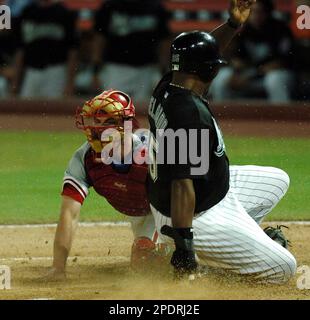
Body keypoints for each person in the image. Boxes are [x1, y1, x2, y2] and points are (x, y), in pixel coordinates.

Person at [147, 0, 297, 283]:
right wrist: (184, 247)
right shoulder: (187, 114)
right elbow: (183, 185)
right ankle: (206, 267)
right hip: (193, 215)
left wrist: (233, 25)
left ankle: (240, 242)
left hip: (210, 191)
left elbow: (202, 52)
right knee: (284, 267)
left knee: (278, 180)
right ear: (209, 71)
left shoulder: (169, 83)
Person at [46, 90, 160, 280]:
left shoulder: (153, 151)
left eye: (106, 122)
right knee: (144, 262)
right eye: (95, 121)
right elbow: (69, 213)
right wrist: (58, 268)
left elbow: (182, 196)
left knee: (169, 263)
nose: (96, 129)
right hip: (142, 212)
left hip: (175, 210)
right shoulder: (85, 158)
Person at [210, 0, 295, 103]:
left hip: (273, 76)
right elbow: (238, 60)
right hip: (249, 76)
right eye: (253, 12)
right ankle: (224, 116)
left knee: (275, 79)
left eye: (260, 12)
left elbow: (279, 63)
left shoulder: (280, 30)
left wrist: (249, 76)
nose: (256, 16)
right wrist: (236, 73)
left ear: (268, 13)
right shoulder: (244, 31)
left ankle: (283, 116)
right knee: (222, 77)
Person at [92, 0, 171, 106]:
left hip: (145, 69)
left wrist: (163, 69)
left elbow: (163, 40)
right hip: (115, 67)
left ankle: (129, 124)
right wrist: (96, 68)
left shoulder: (155, 7)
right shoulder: (111, 5)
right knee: (115, 109)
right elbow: (99, 38)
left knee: (140, 110)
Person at [11, 0, 78, 98]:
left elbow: (72, 50)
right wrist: (15, 82)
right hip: (31, 71)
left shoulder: (64, 12)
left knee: (54, 110)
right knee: (27, 110)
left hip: (56, 71)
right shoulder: (27, 12)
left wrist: (70, 83)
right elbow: (20, 50)